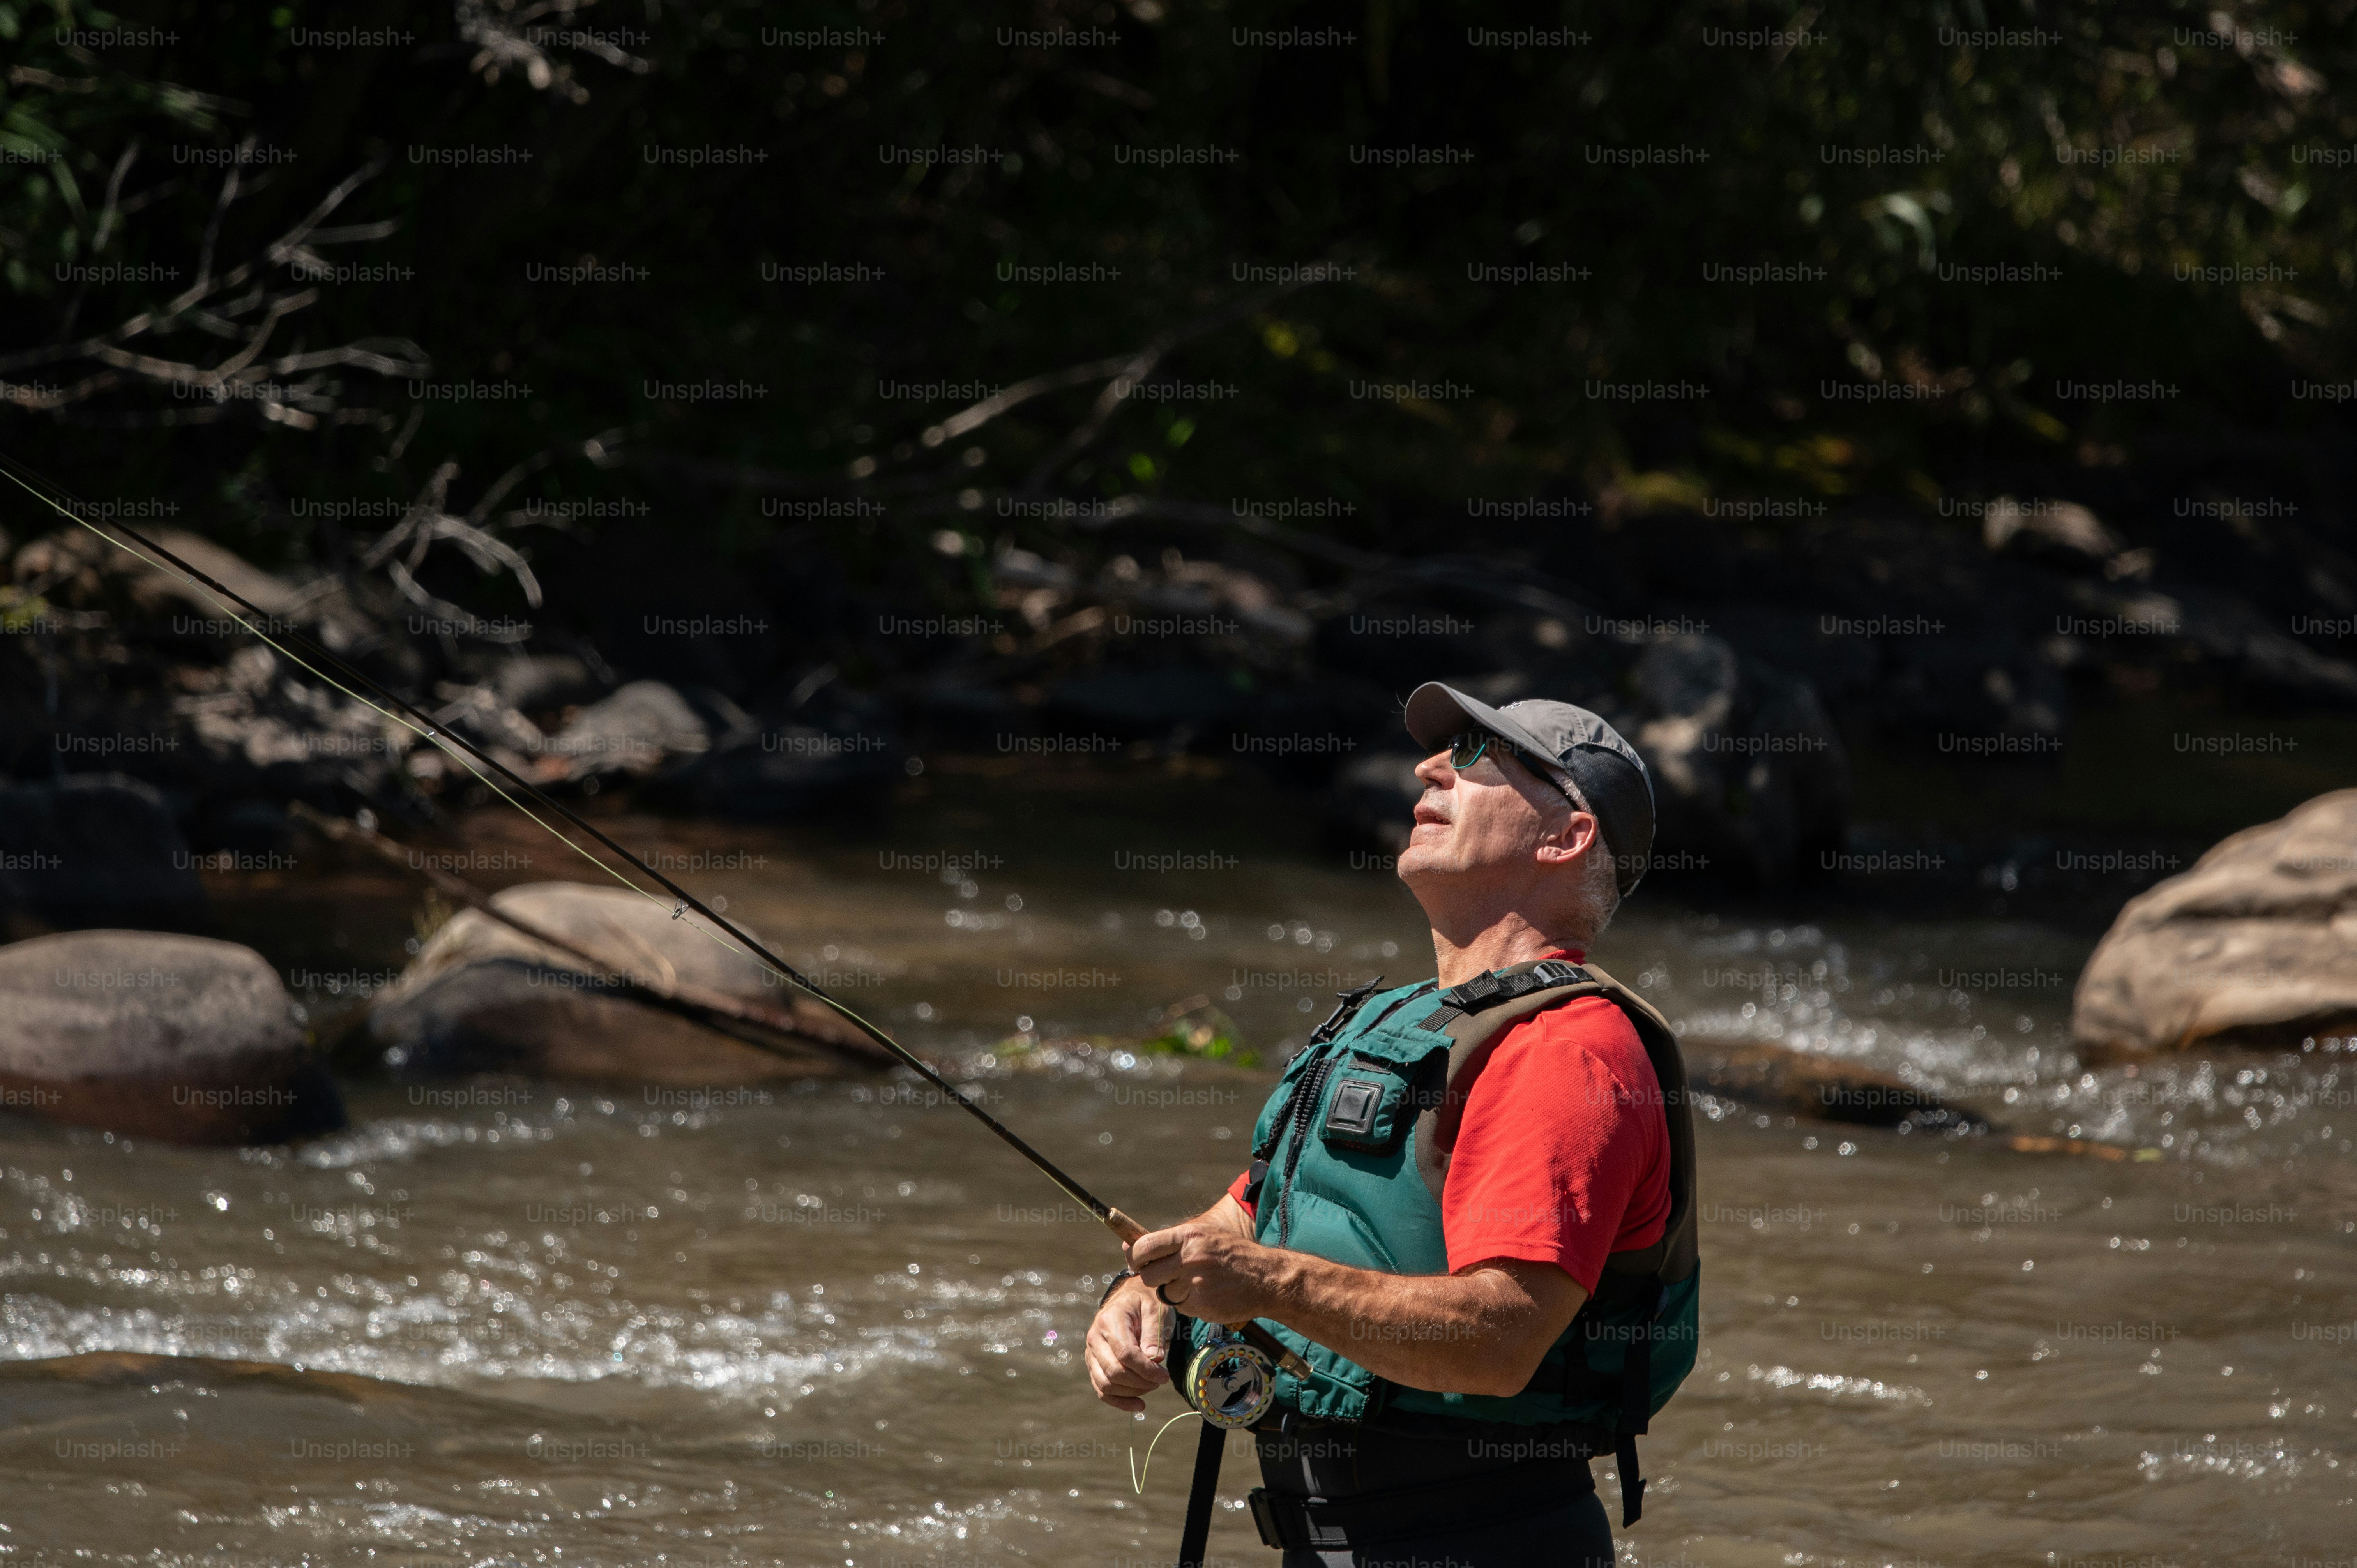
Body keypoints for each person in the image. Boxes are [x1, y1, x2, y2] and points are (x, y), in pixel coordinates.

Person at [1084, 682, 1699, 1567]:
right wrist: (1139, 1291)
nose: (1431, 766)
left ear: (1569, 836)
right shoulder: (1400, 1020)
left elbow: (1499, 1339)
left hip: (1478, 1540)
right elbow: (1250, 1212)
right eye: (1444, 750)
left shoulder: (1567, 1052)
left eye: (1481, 755)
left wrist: (1262, 1282)